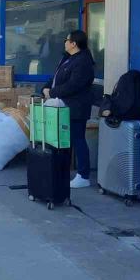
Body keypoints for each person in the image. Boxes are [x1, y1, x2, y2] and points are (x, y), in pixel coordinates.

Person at [42, 30, 96, 190]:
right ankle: (64, 170)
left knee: (78, 139)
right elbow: (56, 78)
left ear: (74, 43)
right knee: (67, 139)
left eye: (67, 40)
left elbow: (74, 85)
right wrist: (46, 88)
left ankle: (83, 175)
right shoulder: (68, 58)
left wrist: (52, 92)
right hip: (63, 105)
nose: (64, 43)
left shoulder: (83, 61)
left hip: (76, 107)